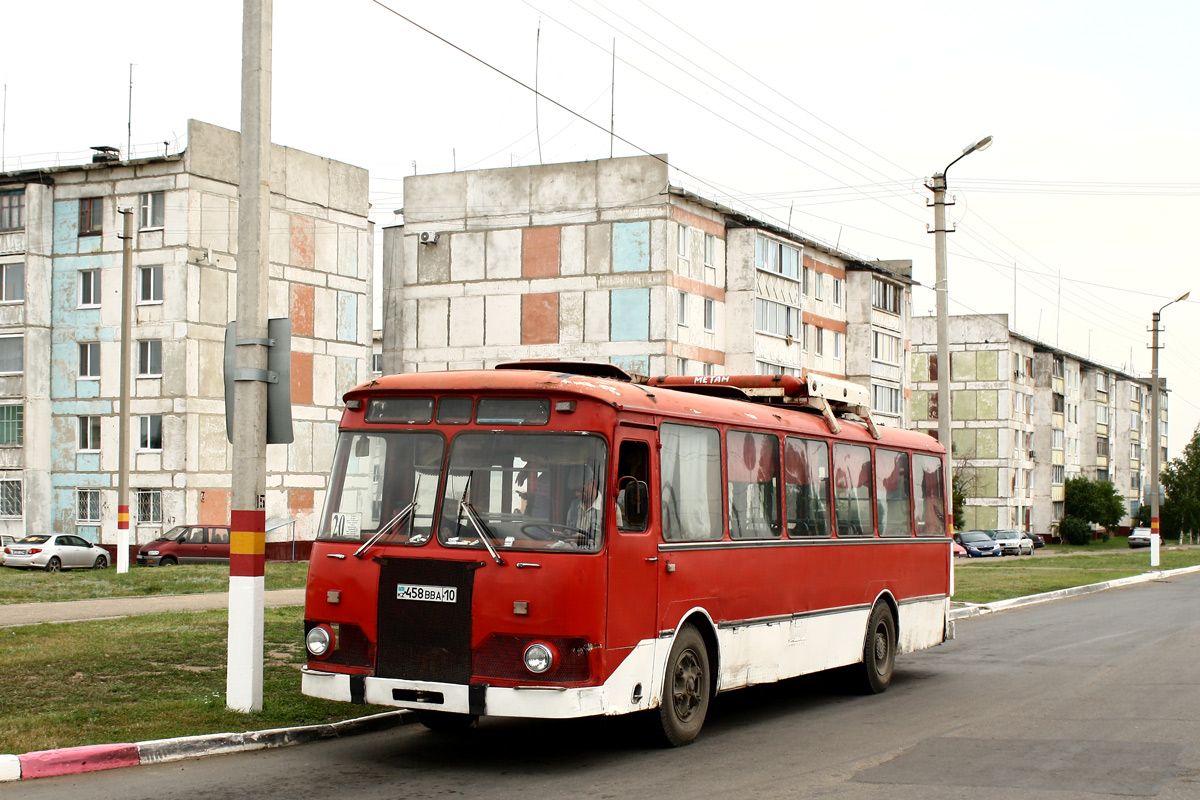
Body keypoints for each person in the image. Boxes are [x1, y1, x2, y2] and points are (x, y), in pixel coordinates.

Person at [565, 466, 603, 547]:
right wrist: (562, 535)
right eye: (575, 490)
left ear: (592, 483)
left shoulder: (610, 509)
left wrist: (583, 541)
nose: (577, 494)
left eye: (581, 489)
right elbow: (568, 532)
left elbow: (613, 542)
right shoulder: (574, 506)